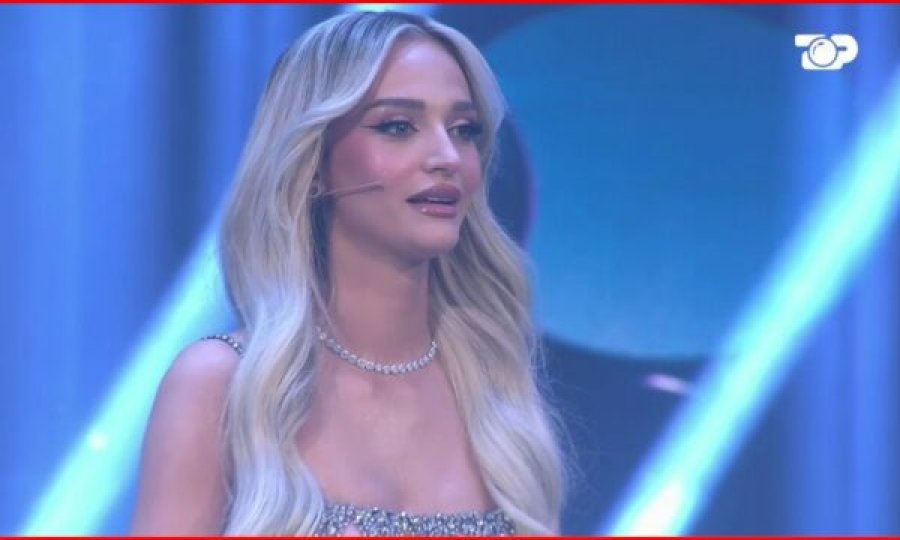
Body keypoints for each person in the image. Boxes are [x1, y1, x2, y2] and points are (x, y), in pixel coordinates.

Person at [131, 10, 565, 536]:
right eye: (398, 127)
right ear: (314, 162)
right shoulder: (222, 385)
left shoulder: (494, 385)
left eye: (464, 130)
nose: (447, 156)